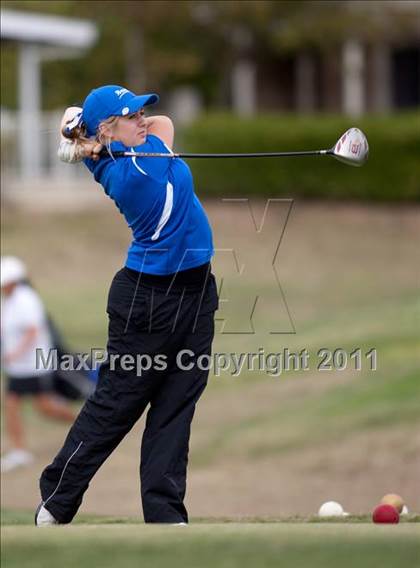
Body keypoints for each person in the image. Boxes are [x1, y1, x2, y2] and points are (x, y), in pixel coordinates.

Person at [35, 85, 218, 526]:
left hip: (196, 293)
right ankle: (56, 501)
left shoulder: (122, 153)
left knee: (177, 405)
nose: (143, 118)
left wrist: (88, 139)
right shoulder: (135, 174)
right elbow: (162, 131)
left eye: (140, 110)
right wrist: (90, 140)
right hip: (147, 302)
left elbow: (162, 123)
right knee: (118, 405)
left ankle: (165, 515)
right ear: (108, 128)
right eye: (130, 114)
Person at [1, 256, 76, 473]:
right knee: (12, 403)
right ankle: (19, 450)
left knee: (45, 407)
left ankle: (90, 425)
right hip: (18, 367)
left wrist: (15, 353)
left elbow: (33, 331)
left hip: (33, 364)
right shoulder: (10, 300)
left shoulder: (26, 299)